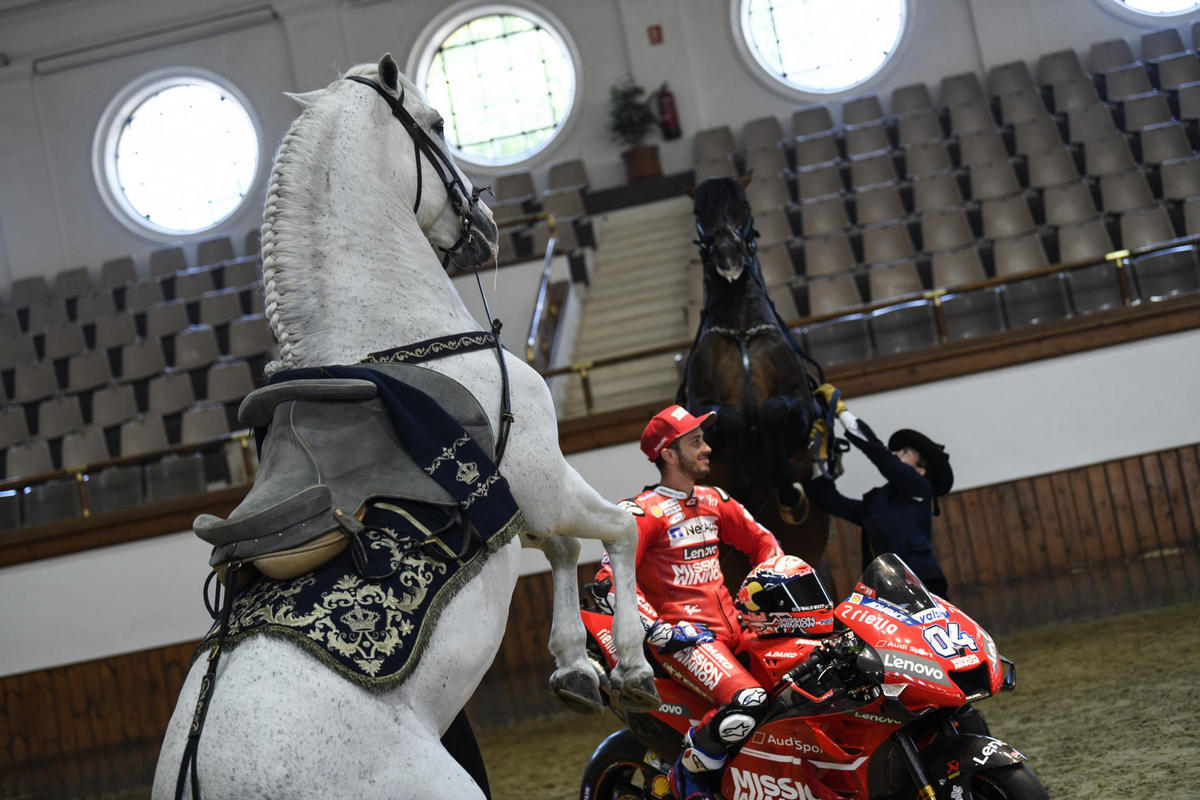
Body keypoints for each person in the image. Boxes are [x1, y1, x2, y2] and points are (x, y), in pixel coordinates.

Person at [605, 404, 785, 800]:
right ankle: (689, 777)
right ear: (669, 454)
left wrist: (767, 588)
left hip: (738, 630)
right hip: (687, 641)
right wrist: (658, 629)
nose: (707, 448)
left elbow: (764, 542)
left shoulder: (714, 499)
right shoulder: (642, 512)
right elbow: (612, 580)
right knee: (749, 701)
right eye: (696, 442)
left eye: (703, 440)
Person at [803, 383, 953, 597]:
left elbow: (882, 457)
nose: (895, 454)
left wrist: (841, 412)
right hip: (884, 592)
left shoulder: (921, 489)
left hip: (922, 586)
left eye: (905, 452)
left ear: (920, 471)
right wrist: (820, 456)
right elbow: (831, 501)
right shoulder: (876, 502)